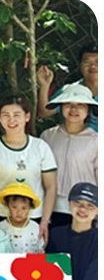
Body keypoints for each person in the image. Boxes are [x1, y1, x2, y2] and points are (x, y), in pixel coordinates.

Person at [0, 95, 57, 243]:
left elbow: (51, 186)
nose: (11, 120)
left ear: (27, 117)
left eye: (17, 115)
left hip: (33, 217)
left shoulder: (40, 147)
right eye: (6, 115)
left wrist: (45, 221)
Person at [39, 85, 98, 225]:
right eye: (68, 104)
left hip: (84, 209)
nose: (73, 109)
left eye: (80, 105)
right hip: (51, 207)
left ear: (88, 109)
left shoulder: (96, 141)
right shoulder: (48, 136)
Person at [38, 43, 98, 132]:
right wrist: (45, 85)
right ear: (80, 66)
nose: (93, 66)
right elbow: (44, 112)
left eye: (98, 61)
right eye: (87, 62)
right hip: (77, 142)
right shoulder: (70, 90)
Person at [0, 182, 44, 253]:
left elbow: (41, 251)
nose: (19, 212)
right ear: (7, 206)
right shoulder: (1, 227)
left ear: (30, 208)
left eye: (24, 208)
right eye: (14, 207)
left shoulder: (36, 228)